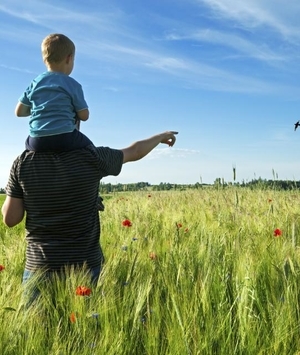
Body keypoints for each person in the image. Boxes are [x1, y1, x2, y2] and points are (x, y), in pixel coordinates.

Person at [1, 131, 178, 306]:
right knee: (89, 325)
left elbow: (10, 219)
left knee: (38, 330)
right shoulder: (91, 156)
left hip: (40, 266)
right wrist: (160, 136)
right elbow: (136, 150)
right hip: (86, 264)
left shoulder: (22, 162)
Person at [15, 33, 92, 152]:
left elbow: (19, 112)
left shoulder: (35, 83)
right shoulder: (72, 84)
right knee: (90, 148)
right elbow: (84, 116)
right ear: (69, 58)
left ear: (45, 59)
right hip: (65, 138)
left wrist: (43, 108)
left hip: (37, 141)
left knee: (28, 143)